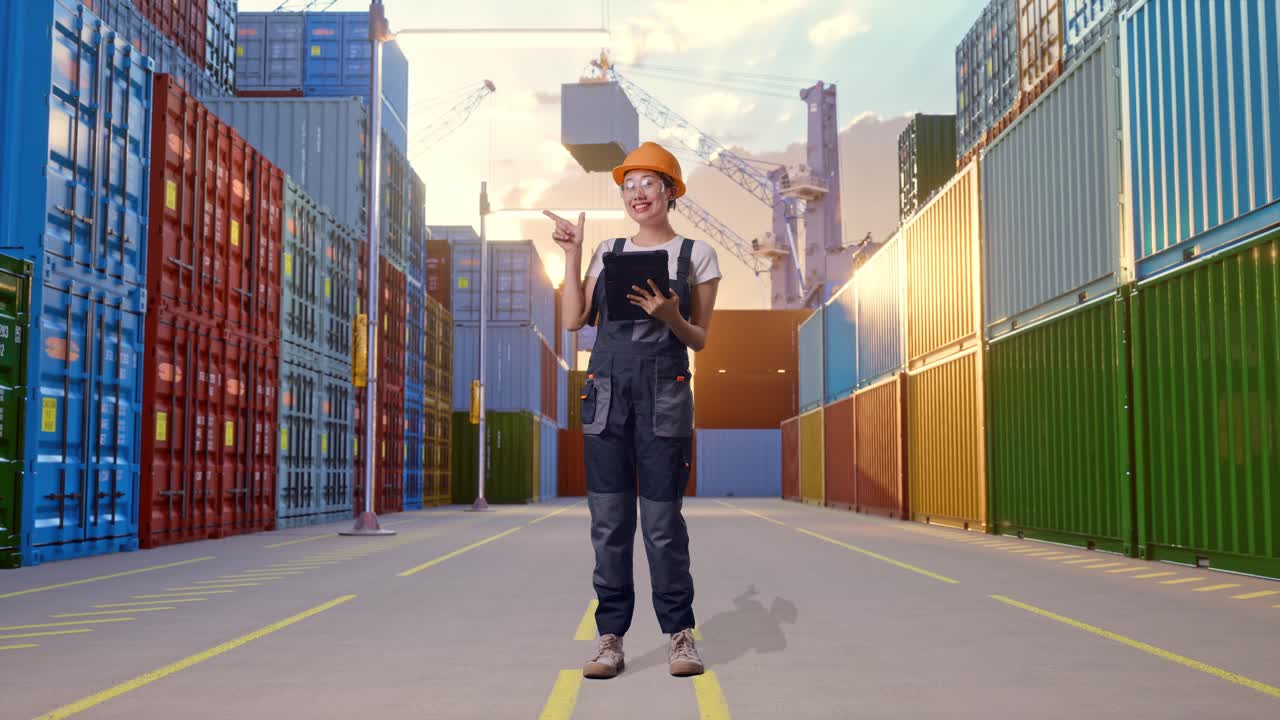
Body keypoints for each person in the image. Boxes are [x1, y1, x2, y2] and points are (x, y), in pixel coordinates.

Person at [544, 141, 721, 680]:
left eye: (648, 183)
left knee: (663, 526)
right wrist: (573, 254)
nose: (637, 193)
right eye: (628, 186)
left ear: (671, 191)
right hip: (607, 397)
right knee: (609, 525)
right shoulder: (608, 250)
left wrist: (671, 316)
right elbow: (573, 321)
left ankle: (680, 634)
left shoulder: (697, 255)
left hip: (665, 396)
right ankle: (611, 639)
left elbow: (700, 338)